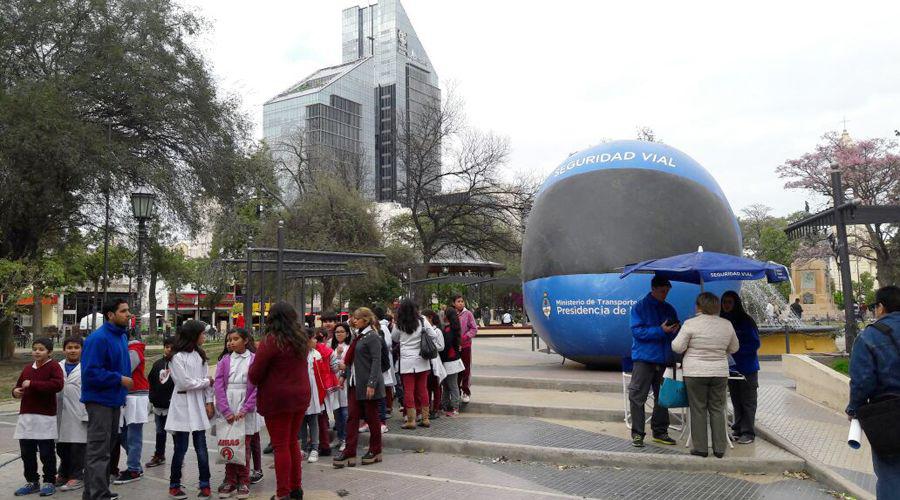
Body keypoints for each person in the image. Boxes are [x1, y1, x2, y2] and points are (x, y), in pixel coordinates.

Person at [248, 302, 311, 500]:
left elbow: (255, 374)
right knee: (293, 442)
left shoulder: (271, 341)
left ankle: (282, 493)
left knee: (280, 445)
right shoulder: (301, 339)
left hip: (278, 399)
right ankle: (295, 489)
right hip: (300, 396)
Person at [846, 285, 900, 499]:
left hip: (889, 417)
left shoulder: (870, 337)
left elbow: (862, 382)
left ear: (881, 307)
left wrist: (854, 409)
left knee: (891, 474)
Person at [672, 292, 739, 458]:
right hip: (719, 372)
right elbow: (734, 348)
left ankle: (701, 448)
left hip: (695, 372)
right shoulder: (727, 324)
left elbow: (677, 347)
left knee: (698, 409)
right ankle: (719, 449)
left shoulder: (690, 324)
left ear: (699, 306)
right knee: (717, 408)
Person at [80, 298, 133, 500]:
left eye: (128, 310)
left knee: (106, 449)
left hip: (114, 400)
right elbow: (91, 373)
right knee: (98, 450)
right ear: (110, 315)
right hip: (99, 400)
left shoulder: (120, 337)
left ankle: (94, 492)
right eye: (123, 311)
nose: (128, 314)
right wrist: (119, 379)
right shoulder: (98, 339)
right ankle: (98, 494)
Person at [165, 320, 215, 499]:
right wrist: (206, 382)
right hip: (182, 406)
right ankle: (174, 485)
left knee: (202, 448)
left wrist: (209, 401)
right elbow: (183, 382)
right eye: (202, 334)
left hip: (198, 405)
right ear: (193, 335)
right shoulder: (176, 357)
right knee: (181, 448)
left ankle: (205, 484)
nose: (204, 336)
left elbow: (205, 381)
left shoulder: (200, 355)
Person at [627, 276, 679, 448]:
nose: (665, 294)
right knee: (637, 396)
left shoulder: (669, 309)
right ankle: (637, 434)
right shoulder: (639, 307)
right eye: (663, 291)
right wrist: (661, 331)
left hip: (664, 359)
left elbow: (673, 335)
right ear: (654, 289)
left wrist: (674, 330)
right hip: (644, 359)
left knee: (663, 398)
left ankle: (660, 432)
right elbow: (637, 332)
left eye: (668, 291)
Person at [333, 308, 384, 468]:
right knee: (352, 418)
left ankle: (376, 450)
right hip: (355, 383)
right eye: (353, 318)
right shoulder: (358, 336)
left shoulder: (372, 337)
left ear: (366, 320)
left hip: (369, 385)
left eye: (356, 318)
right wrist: (343, 376)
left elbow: (376, 361)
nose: (353, 321)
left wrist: (371, 384)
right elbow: (352, 360)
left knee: (372, 418)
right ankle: (349, 452)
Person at [13, 338, 65, 497]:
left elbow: (57, 385)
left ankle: (49, 480)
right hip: (27, 417)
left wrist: (33, 384)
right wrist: (15, 392)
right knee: (27, 452)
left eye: (41, 349)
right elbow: (19, 385)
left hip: (45, 417)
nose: (37, 351)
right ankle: (32, 481)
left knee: (46, 452)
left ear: (49, 352)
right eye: (35, 349)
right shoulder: (28, 368)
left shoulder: (54, 366)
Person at [214, 328, 258, 499]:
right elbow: (218, 385)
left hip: (244, 406)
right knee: (228, 443)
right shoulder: (224, 360)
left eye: (235, 339)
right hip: (228, 405)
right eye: (229, 339)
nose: (231, 342)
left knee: (244, 445)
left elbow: (256, 387)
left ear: (245, 340)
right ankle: (230, 480)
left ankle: (244, 481)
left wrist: (245, 409)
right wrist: (225, 410)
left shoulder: (254, 360)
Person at [392, 299, 442, 429]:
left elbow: (394, 338)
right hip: (422, 359)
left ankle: (411, 420)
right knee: (422, 389)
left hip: (406, 361)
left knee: (408, 390)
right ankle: (425, 418)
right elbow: (433, 335)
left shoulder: (399, 323)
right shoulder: (422, 320)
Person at [721, 290, 761, 444]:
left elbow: (755, 343)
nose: (726, 305)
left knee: (748, 400)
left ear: (736, 303)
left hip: (747, 368)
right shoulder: (722, 320)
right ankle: (738, 428)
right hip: (731, 368)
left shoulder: (746, 321)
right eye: (724, 302)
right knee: (736, 400)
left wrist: (735, 350)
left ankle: (748, 432)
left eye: (729, 302)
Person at [113, 332, 150, 485]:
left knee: (133, 435)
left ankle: (134, 468)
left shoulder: (134, 349)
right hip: (127, 395)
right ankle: (135, 465)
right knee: (123, 434)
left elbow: (125, 368)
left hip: (136, 395)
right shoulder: (128, 348)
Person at [55, 336, 88, 492]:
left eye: (76, 347)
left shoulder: (87, 367)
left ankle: (76, 476)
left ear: (82, 349)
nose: (73, 350)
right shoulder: (57, 367)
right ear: (64, 350)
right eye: (69, 347)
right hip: (59, 412)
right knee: (61, 446)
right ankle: (63, 473)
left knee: (77, 447)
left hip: (79, 412)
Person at [146, 336, 175, 469]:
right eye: (167, 347)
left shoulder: (178, 365)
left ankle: (178, 457)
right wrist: (153, 398)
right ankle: (159, 455)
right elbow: (151, 381)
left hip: (173, 406)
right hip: (159, 405)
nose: (169, 349)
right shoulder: (157, 364)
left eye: (172, 347)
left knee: (176, 434)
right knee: (160, 432)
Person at [300, 328, 325, 464]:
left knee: (313, 419)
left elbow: (321, 376)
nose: (316, 341)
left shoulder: (316, 354)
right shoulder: (297, 354)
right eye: (313, 339)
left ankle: (315, 447)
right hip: (301, 390)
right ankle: (303, 447)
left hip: (314, 391)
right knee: (302, 420)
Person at [452, 295, 478, 404]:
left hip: (466, 346)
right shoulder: (451, 314)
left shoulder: (468, 314)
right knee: (456, 369)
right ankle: (455, 391)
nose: (461, 303)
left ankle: (466, 391)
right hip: (454, 347)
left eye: (462, 301)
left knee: (466, 369)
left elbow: (474, 328)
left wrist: (465, 337)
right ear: (453, 303)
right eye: (458, 301)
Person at [330, 323, 352, 451]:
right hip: (334, 383)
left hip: (344, 384)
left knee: (345, 412)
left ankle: (345, 439)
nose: (339, 334)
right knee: (336, 412)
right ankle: (339, 436)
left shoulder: (349, 348)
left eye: (342, 331)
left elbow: (349, 365)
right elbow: (333, 365)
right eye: (337, 332)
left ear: (347, 333)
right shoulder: (332, 348)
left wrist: (345, 369)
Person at [440, 307, 466, 416]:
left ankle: (455, 407)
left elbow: (446, 346)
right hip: (451, 360)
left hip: (450, 361)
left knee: (451, 385)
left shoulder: (449, 330)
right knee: (447, 385)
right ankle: (446, 406)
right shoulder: (453, 328)